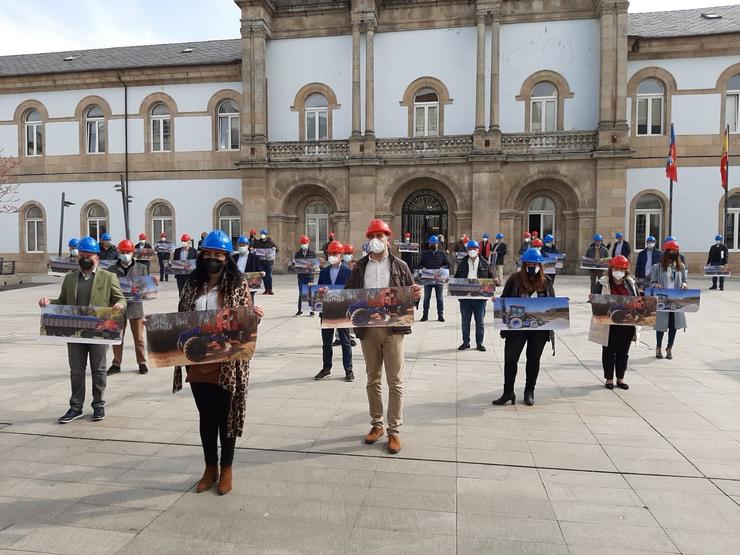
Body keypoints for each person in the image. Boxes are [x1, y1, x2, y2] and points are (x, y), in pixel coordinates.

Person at [173, 230, 264, 496]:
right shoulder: (191, 285)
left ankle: (227, 468)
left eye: (219, 255)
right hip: (197, 361)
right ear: (201, 255)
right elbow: (181, 317)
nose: (213, 259)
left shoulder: (238, 285)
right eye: (209, 254)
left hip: (227, 363)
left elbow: (245, 321)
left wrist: (254, 316)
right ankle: (209, 467)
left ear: (227, 258)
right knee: (206, 416)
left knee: (225, 417)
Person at [345, 219, 421, 455]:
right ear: (368, 240)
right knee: (372, 378)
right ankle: (376, 424)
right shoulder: (359, 268)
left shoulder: (400, 266)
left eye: (381, 235)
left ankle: (394, 431)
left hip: (393, 330)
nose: (377, 240)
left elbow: (411, 296)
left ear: (389, 238)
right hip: (368, 330)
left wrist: (417, 294)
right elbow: (348, 295)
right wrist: (329, 296)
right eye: (372, 236)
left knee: (395, 381)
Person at [38, 236, 126, 423]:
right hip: (75, 331)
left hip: (99, 331)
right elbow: (62, 302)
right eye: (82, 255)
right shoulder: (70, 278)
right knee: (76, 370)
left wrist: (119, 304)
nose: (85, 258)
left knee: (99, 369)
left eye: (89, 255)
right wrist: (48, 302)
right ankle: (75, 407)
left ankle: (98, 405)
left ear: (97, 257)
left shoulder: (108, 277)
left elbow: (121, 298)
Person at [493, 248, 554, 407]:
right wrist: (498, 303)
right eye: (529, 263)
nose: (532, 266)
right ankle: (508, 392)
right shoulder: (514, 280)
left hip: (538, 329)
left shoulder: (546, 282)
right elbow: (504, 298)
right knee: (511, 359)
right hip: (516, 328)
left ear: (540, 265)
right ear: (524, 264)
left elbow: (552, 304)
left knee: (533, 359)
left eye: (535, 263)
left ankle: (529, 391)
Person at [106, 239, 154, 376]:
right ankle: (116, 363)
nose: (125, 254)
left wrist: (152, 283)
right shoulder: (111, 270)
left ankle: (142, 363)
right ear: (119, 252)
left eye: (128, 252)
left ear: (133, 253)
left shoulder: (142, 268)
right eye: (122, 252)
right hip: (118, 307)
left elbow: (146, 288)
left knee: (139, 338)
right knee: (117, 337)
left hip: (135, 307)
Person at [589, 255, 637, 390]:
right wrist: (593, 299)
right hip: (608, 324)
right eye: (616, 268)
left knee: (623, 351)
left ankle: (620, 378)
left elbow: (637, 300)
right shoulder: (602, 283)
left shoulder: (631, 283)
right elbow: (595, 300)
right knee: (609, 351)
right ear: (611, 269)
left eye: (621, 269)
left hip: (626, 324)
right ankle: (609, 379)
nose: (618, 271)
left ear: (626, 270)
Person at [314, 241, 354, 382]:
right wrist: (319, 290)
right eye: (330, 254)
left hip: (343, 310)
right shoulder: (324, 271)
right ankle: (326, 368)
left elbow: (351, 292)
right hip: (327, 310)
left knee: (345, 341)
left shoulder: (348, 272)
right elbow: (319, 289)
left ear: (341, 255)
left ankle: (348, 370)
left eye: (335, 253)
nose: (332, 256)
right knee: (326, 342)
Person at [650, 239, 688, 360]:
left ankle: (669, 348)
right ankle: (658, 347)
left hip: (676, 299)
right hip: (663, 299)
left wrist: (684, 284)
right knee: (661, 325)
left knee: (674, 325)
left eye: (675, 251)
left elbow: (685, 280)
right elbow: (652, 282)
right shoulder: (658, 267)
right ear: (666, 252)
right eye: (670, 250)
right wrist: (656, 285)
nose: (673, 252)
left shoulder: (680, 267)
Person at [454, 239, 494, 351]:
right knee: (465, 322)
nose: (472, 251)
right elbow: (457, 278)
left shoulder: (485, 263)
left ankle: (479, 343)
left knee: (480, 322)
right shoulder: (462, 263)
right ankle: (465, 342)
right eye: (470, 249)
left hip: (479, 298)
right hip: (465, 298)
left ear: (478, 250)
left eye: (475, 249)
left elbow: (491, 277)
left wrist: (494, 281)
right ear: (467, 250)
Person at [419, 235, 449, 322]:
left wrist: (442, 268)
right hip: (428, 280)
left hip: (438, 280)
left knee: (439, 298)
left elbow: (447, 264)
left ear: (438, 244)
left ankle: (440, 315)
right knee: (426, 298)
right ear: (429, 244)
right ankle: (425, 315)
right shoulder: (425, 254)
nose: (434, 245)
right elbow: (420, 264)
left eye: (435, 243)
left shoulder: (442, 253)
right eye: (432, 243)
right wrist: (423, 268)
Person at [293, 235, 317, 316]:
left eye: (305, 243)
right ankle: (300, 310)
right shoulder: (297, 254)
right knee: (301, 293)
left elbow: (314, 265)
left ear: (308, 243)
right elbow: (295, 265)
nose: (304, 244)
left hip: (310, 276)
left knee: (310, 293)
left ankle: (311, 310)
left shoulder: (312, 253)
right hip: (301, 276)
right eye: (302, 243)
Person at [253, 228, 278, 295]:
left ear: (266, 235)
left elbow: (277, 250)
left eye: (264, 234)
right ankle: (266, 289)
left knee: (269, 275)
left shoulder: (270, 242)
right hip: (261, 262)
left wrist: (274, 249)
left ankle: (270, 289)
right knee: (264, 275)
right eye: (261, 234)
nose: (262, 235)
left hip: (269, 262)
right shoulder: (258, 242)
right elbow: (253, 248)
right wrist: (254, 250)